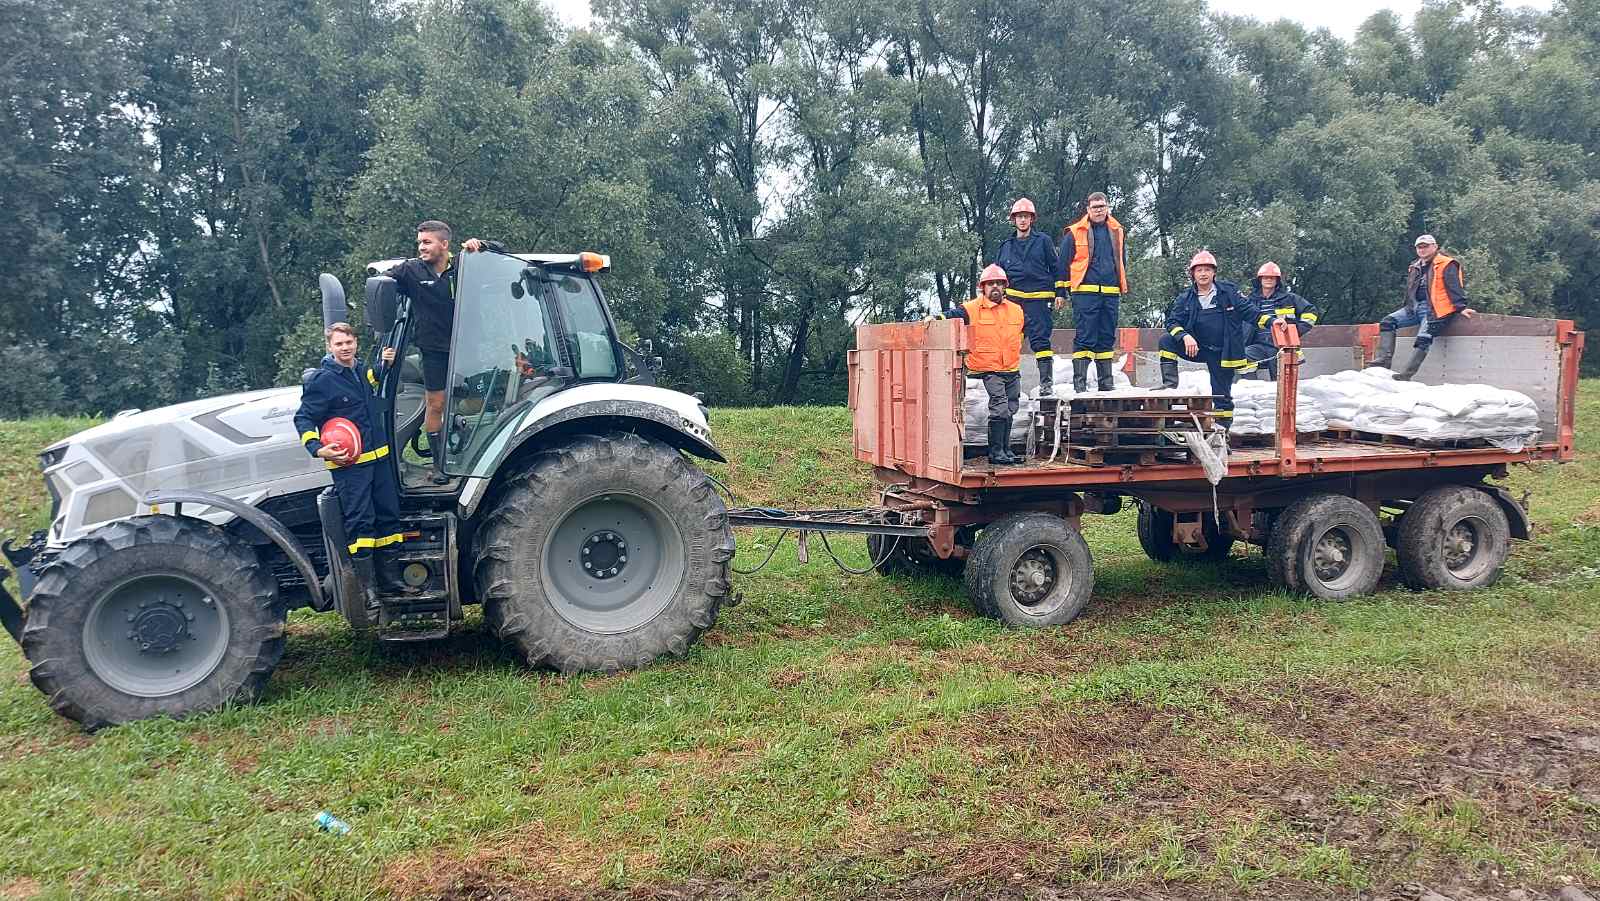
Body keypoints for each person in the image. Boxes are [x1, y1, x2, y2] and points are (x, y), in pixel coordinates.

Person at [382, 221, 501, 483]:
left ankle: (479, 452)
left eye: (427, 242)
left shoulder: (465, 265)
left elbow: (502, 252)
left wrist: (483, 245)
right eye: (419, 242)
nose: (421, 247)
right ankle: (439, 465)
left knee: (479, 403)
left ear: (444, 245)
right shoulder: (410, 270)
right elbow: (381, 286)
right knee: (436, 404)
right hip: (433, 351)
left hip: (467, 350)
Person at [295, 323, 403, 608]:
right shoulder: (322, 381)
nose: (345, 347)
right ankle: (369, 590)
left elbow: (371, 381)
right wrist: (318, 449)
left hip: (379, 460)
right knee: (361, 523)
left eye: (349, 342)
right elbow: (304, 418)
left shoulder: (360, 371)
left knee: (389, 518)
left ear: (356, 342)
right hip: (350, 468)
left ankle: (392, 580)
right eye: (339, 343)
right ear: (329, 347)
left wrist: (384, 365)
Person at [940, 264, 1026, 465]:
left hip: (1012, 369)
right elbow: (951, 315)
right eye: (990, 284)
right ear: (983, 287)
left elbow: (1024, 331)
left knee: (1011, 409)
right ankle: (995, 452)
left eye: (999, 283)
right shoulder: (971, 309)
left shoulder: (1016, 310)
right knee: (1000, 408)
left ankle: (1006, 450)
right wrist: (936, 318)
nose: (995, 287)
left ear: (1005, 287)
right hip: (989, 369)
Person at [1158, 251, 1251, 431]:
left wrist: (1272, 322)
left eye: (1207, 269)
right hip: (1196, 348)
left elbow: (1250, 312)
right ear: (1193, 274)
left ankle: (1223, 434)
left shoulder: (1229, 293)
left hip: (1222, 353)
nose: (1203, 273)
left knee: (1222, 395)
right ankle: (1169, 387)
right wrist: (1184, 336)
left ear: (1214, 273)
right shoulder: (1185, 298)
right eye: (1199, 270)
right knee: (1166, 341)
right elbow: (1172, 322)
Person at [1372, 234, 1476, 380]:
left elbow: (1454, 286)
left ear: (1435, 247)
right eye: (1419, 247)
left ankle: (1406, 374)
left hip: (1435, 309)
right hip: (1414, 307)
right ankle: (1383, 361)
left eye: (1425, 246)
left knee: (1423, 339)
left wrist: (1460, 307)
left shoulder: (1446, 263)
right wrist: (1407, 306)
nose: (1422, 250)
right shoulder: (1415, 266)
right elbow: (1410, 290)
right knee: (1387, 322)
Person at [1058, 191, 1129, 393]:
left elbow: (1121, 260)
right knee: (1086, 337)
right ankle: (1079, 384)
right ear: (1088, 209)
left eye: (1102, 206)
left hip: (1110, 292)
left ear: (1107, 208)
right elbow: (1063, 263)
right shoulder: (1074, 232)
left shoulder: (1117, 230)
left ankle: (1106, 383)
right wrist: (1061, 292)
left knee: (1106, 337)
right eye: (1095, 207)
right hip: (1085, 292)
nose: (1099, 210)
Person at [995, 198, 1064, 395]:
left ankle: (1046, 384)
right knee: (1010, 342)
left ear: (1031, 219)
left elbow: (1056, 267)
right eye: (1019, 217)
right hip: (1013, 302)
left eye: (1026, 217)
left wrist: (1060, 292)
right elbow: (998, 275)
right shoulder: (1005, 246)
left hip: (1039, 300)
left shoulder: (1043, 241)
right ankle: (1008, 384)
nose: (1022, 220)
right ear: (1014, 220)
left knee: (1041, 342)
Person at [1242, 261, 1319, 381]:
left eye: (1272, 278)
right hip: (1257, 345)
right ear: (1260, 280)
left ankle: (1281, 398)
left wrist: (1295, 331)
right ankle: (1251, 391)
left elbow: (1311, 312)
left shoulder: (1289, 298)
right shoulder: (1250, 301)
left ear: (1277, 281)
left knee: (1281, 379)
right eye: (1266, 277)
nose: (1269, 280)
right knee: (1243, 355)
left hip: (1281, 346)